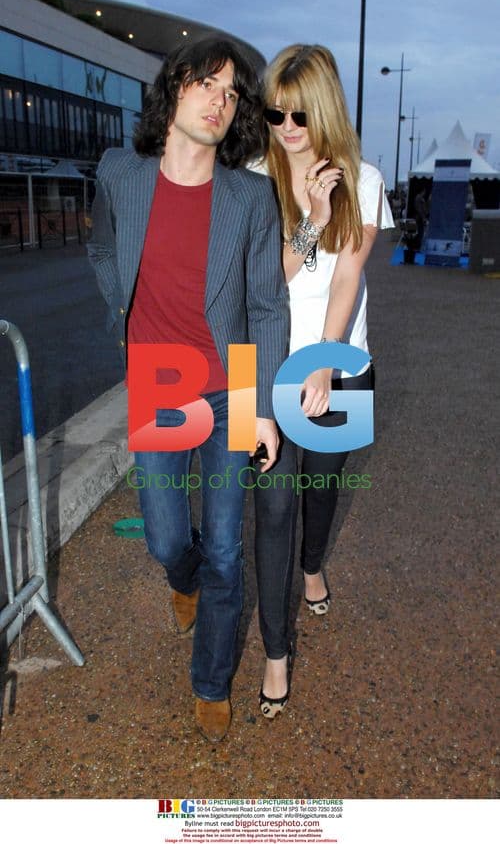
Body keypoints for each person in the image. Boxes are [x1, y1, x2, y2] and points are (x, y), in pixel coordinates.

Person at [88, 38, 288, 741]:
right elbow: (101, 245)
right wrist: (124, 308)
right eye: (207, 83)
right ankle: (183, 578)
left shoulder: (251, 197)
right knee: (169, 537)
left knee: (229, 550)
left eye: (231, 93)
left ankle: (210, 683)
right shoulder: (119, 173)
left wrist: (263, 408)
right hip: (158, 388)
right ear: (174, 88)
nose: (219, 100)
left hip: (229, 388)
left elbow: (267, 305)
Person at [251, 44, 393, 718]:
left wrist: (328, 363)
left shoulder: (364, 179)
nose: (285, 127)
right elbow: (260, 286)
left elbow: (348, 275)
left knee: (323, 486)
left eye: (298, 113)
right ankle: (275, 653)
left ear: (325, 105)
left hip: (342, 363)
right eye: (273, 112)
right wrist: (307, 217)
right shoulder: (254, 179)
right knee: (272, 508)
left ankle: (314, 565)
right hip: (265, 366)